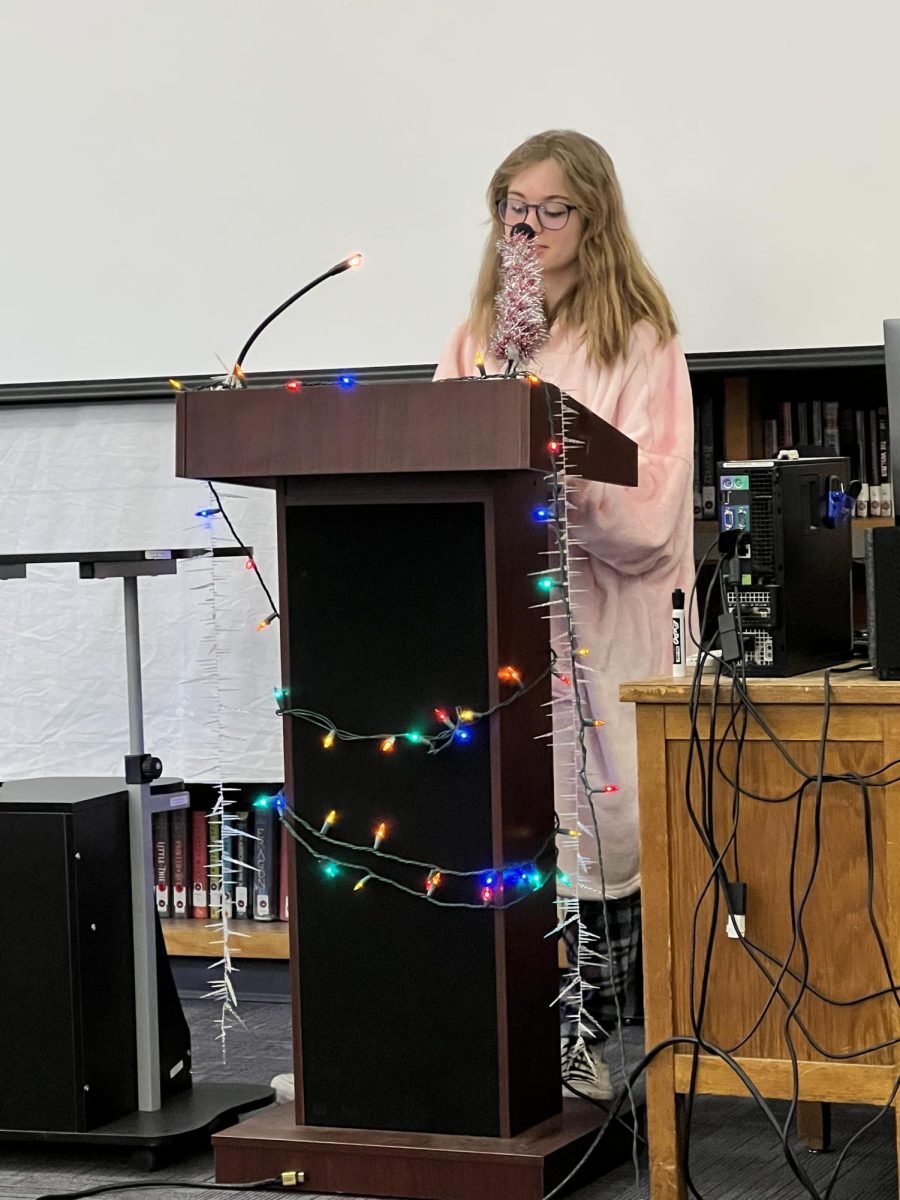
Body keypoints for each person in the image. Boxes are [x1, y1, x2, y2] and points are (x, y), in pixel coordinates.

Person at [434, 129, 695, 1102]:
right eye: (514, 209)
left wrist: (564, 484)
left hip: (596, 633)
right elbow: (436, 457)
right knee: (490, 834)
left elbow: (658, 520)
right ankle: (480, 1055)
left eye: (552, 210)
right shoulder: (476, 338)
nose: (529, 227)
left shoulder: (641, 337)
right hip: (497, 636)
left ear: (594, 218)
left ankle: (578, 1055)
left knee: (587, 843)